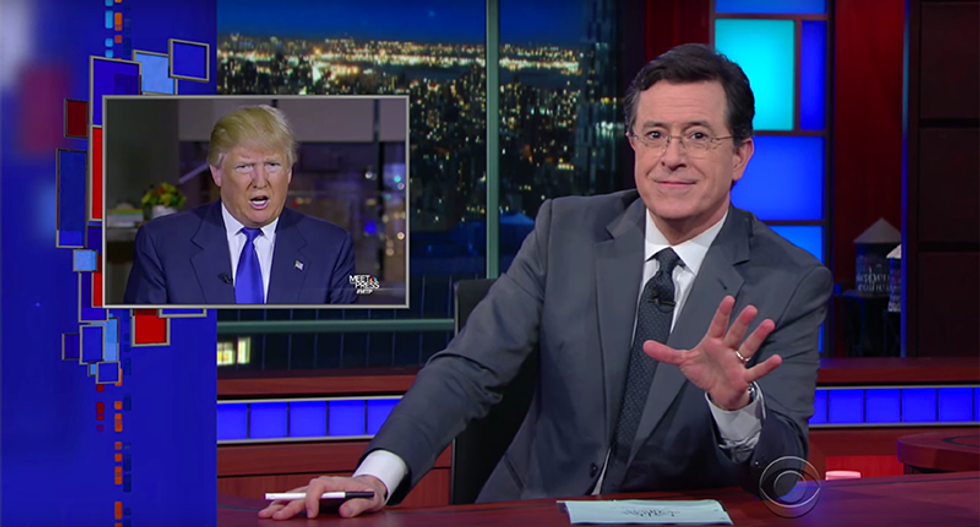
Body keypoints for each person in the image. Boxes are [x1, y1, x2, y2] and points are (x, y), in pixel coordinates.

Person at [260, 43, 832, 520]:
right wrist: (377, 475)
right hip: (534, 512)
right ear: (633, 144)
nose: (672, 157)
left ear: (740, 156)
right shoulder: (566, 231)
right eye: (655, 134)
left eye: (698, 136)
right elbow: (469, 368)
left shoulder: (790, 280)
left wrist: (738, 410)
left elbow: (784, 476)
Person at [123, 105, 358, 305]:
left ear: (288, 172)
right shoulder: (162, 243)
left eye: (272, 165)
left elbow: (345, 337)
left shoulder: (331, 247)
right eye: (245, 166)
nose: (260, 181)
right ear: (217, 173)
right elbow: (141, 335)